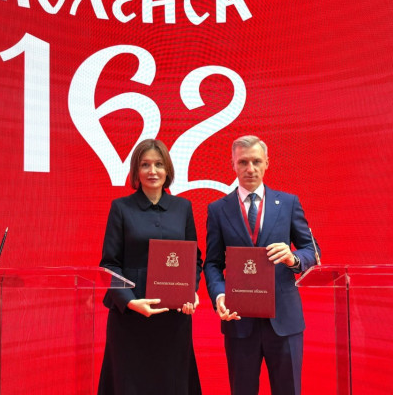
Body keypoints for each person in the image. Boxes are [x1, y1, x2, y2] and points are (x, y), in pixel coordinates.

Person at [203, 135, 319, 395]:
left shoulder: (288, 203)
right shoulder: (218, 210)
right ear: (233, 164)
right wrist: (220, 295)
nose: (250, 168)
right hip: (239, 321)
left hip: (284, 320)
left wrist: (293, 258)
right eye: (243, 162)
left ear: (267, 163)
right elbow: (212, 263)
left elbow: (312, 250)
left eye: (256, 161)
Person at [97, 139, 202, 395]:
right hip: (130, 318)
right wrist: (130, 302)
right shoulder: (121, 208)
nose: (152, 171)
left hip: (173, 317)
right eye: (145, 165)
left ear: (168, 169)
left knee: (172, 384)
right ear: (136, 170)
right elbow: (109, 264)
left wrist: (190, 291)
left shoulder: (183, 207)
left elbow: (194, 259)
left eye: (158, 164)